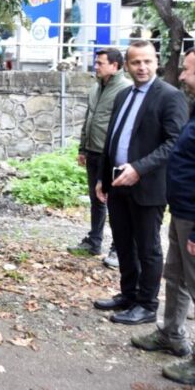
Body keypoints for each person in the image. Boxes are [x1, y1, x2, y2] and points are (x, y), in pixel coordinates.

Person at [93, 41, 188, 325]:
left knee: (148, 248)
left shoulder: (170, 96)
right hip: (117, 182)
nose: (142, 67)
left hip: (148, 186)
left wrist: (139, 168)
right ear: (127, 66)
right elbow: (113, 138)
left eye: (147, 61)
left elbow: (174, 142)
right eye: (136, 62)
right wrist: (102, 177)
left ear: (156, 62)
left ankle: (147, 304)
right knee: (123, 243)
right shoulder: (123, 95)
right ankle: (129, 295)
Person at [130, 48, 195, 384]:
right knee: (176, 277)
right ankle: (171, 333)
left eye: (187, 70)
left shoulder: (176, 100)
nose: (182, 76)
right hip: (182, 211)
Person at [68, 48, 130, 268]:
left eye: (100, 63)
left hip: (112, 155)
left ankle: (118, 248)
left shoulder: (125, 89)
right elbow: (89, 118)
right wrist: (82, 148)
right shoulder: (95, 88)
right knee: (96, 200)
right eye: (96, 62)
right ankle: (94, 241)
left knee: (115, 203)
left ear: (115, 66)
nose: (96, 66)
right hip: (93, 151)